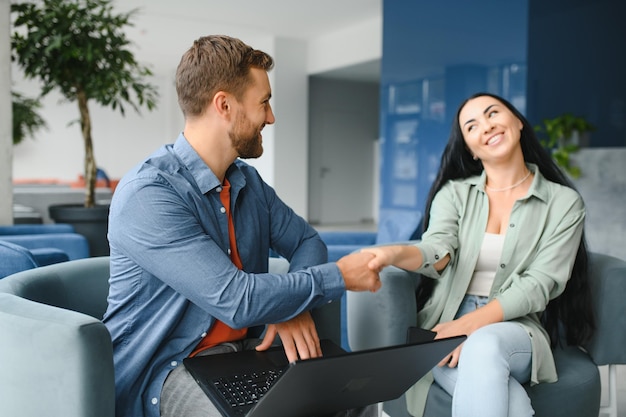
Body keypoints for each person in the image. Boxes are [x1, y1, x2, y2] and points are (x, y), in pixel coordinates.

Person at [103, 35, 380, 417]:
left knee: (356, 394)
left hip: (247, 353)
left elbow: (305, 241)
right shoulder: (149, 194)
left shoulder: (247, 181)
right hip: (171, 369)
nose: (271, 117)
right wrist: (338, 277)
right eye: (264, 102)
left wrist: (288, 308)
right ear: (224, 105)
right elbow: (236, 299)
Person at [361, 92, 594, 417]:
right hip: (443, 325)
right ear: (469, 147)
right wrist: (392, 252)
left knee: (484, 346)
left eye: (493, 113)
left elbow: (540, 283)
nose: (486, 126)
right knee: (512, 405)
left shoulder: (564, 202)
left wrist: (469, 326)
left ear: (517, 121)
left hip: (515, 327)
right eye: (472, 126)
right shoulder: (454, 194)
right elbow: (437, 252)